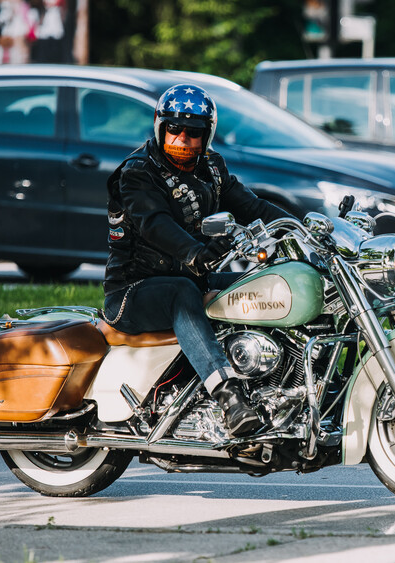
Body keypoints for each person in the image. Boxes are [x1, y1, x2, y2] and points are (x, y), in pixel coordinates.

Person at [102, 84, 292, 437]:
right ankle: (228, 396)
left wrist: (303, 228)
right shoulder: (137, 173)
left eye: (194, 133)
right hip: (132, 292)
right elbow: (154, 223)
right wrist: (195, 252)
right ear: (160, 127)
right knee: (181, 293)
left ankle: (272, 384)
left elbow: (253, 207)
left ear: (207, 135)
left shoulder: (212, 168)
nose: (183, 139)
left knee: (266, 286)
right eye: (175, 129)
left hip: (193, 278)